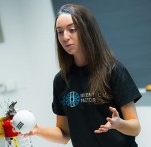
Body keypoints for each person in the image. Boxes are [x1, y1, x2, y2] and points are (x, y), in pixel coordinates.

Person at [27, 3, 142, 147]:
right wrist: (37, 130)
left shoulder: (114, 71)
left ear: (87, 31)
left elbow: (135, 128)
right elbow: (64, 135)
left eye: (72, 30)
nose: (65, 37)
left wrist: (119, 124)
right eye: (60, 32)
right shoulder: (61, 81)